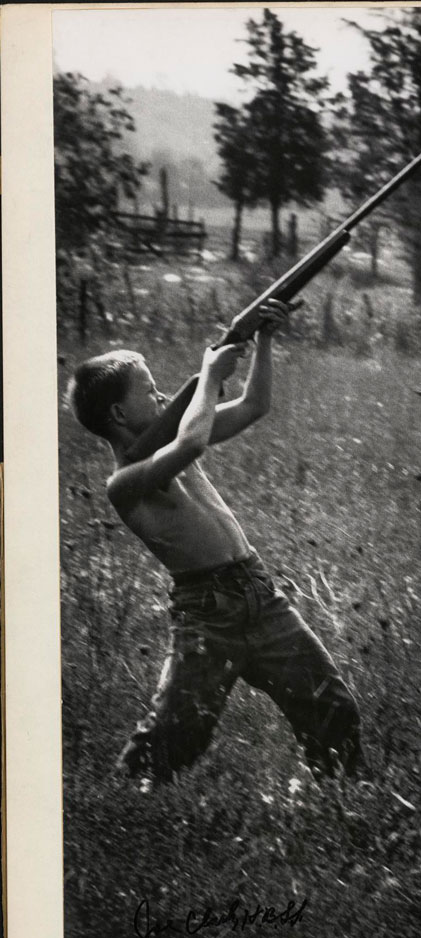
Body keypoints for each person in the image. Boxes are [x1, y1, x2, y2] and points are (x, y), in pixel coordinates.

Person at [67, 301, 365, 787]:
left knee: (331, 706)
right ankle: (125, 802)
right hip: (207, 612)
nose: (162, 394)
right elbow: (191, 444)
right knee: (178, 733)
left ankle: (342, 800)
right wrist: (208, 375)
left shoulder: (172, 442)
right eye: (150, 390)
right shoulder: (124, 483)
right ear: (120, 413)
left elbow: (254, 406)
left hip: (259, 594)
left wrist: (262, 339)